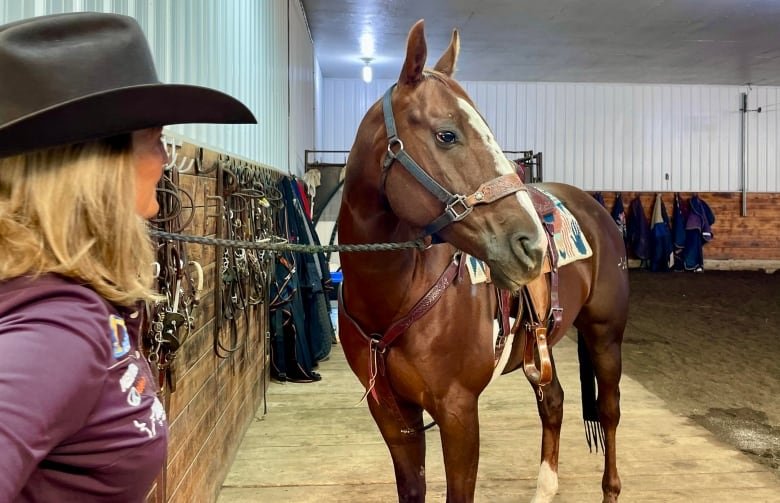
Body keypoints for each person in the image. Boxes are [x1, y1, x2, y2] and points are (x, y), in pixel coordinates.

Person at [0, 12, 256, 501]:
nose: (165, 158)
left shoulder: (64, 298)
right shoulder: (58, 330)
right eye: (155, 139)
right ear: (99, 164)